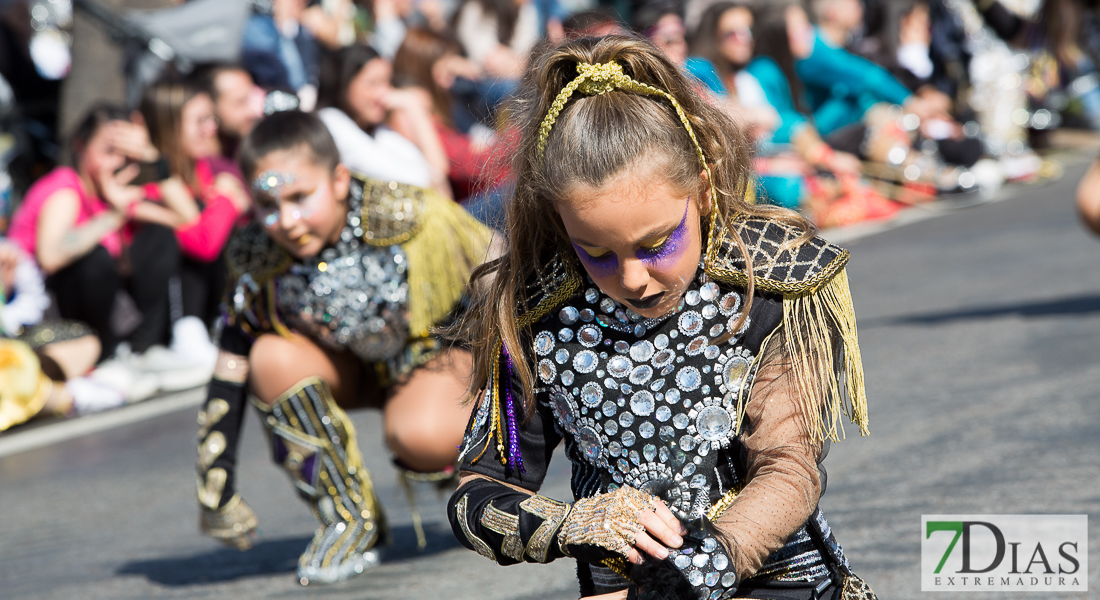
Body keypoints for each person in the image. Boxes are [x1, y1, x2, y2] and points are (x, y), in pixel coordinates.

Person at [447, 36, 878, 599]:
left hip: (773, 580)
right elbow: (478, 490)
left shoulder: (771, 281)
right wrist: (570, 523)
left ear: (701, 191)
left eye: (656, 243)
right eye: (596, 252)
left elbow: (788, 470)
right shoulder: (534, 315)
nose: (630, 277)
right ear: (560, 223)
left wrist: (690, 575)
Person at [195, 110, 494, 585]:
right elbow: (230, 363)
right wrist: (216, 481)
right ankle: (349, 518)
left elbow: (503, 281)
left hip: (435, 360)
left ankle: (490, 463)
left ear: (338, 180)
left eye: (299, 197)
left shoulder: (413, 216)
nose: (286, 221)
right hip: (352, 370)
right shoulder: (254, 255)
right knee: (269, 357)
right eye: (267, 205)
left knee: (420, 433)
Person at [6, 104, 183, 371]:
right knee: (95, 260)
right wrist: (114, 216)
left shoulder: (109, 195)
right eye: (109, 151)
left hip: (101, 314)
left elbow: (186, 221)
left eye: (125, 154)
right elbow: (51, 256)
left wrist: (153, 158)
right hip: (41, 317)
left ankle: (141, 352)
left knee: (159, 237)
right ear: (80, 146)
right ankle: (102, 361)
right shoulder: (65, 189)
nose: (117, 162)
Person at [140, 81, 252, 373]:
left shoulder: (201, 166)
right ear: (168, 126)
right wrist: (226, 201)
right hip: (156, 312)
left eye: (211, 119)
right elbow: (203, 243)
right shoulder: (149, 178)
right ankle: (186, 331)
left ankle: (225, 321)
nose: (210, 129)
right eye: (199, 121)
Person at [317, 44, 451, 195]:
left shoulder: (377, 129)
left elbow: (438, 172)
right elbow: (421, 180)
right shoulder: (331, 121)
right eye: (373, 83)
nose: (384, 93)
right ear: (343, 85)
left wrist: (414, 107)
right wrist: (412, 104)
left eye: (387, 82)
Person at [189, 63, 265, 160]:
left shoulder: (249, 145)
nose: (252, 111)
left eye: (250, 99)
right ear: (211, 105)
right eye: (240, 102)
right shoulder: (199, 157)